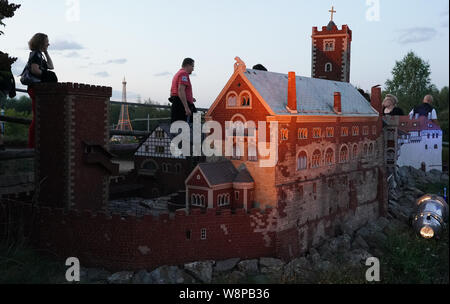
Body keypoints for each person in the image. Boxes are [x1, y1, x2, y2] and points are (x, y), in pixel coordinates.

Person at [26, 33, 57, 149]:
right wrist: (47, 76)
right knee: (37, 117)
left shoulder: (39, 55)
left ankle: (35, 145)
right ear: (40, 42)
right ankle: (32, 146)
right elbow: (34, 70)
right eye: (46, 42)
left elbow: (51, 66)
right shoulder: (35, 55)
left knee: (39, 116)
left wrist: (46, 52)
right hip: (36, 89)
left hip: (37, 89)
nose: (48, 44)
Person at [169, 58, 197, 123]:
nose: (193, 69)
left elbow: (172, 92)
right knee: (196, 124)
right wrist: (186, 108)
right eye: (192, 66)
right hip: (181, 104)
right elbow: (181, 90)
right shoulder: (183, 74)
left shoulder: (177, 74)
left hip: (176, 103)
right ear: (187, 65)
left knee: (177, 127)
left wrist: (190, 97)